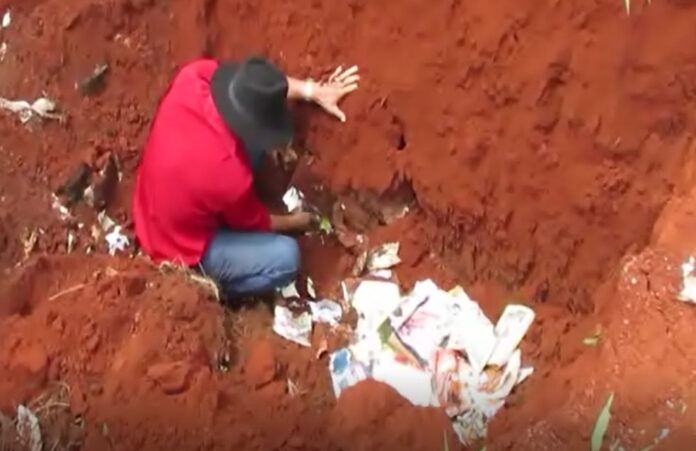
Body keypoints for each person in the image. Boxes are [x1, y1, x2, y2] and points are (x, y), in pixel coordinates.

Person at [132, 56, 359, 298]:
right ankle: (208, 289)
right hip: (176, 248)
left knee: (246, 157)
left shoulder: (194, 77)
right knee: (287, 259)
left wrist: (311, 90)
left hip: (151, 205)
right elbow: (257, 223)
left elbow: (257, 86)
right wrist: (299, 221)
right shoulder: (229, 174)